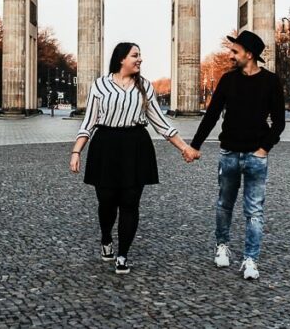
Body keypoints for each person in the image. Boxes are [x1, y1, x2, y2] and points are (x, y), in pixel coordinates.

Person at [70, 42, 199, 274]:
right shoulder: (100, 85)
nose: (140, 59)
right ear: (121, 59)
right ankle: (106, 238)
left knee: (130, 203)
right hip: (105, 145)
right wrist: (76, 151)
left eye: (140, 55)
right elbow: (88, 122)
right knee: (107, 202)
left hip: (135, 146)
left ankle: (122, 255)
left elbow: (161, 123)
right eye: (135, 55)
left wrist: (184, 148)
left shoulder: (145, 87)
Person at [189, 30, 286, 281]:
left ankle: (250, 259)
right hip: (229, 152)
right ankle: (222, 245)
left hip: (256, 156)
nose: (231, 56)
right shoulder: (227, 80)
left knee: (254, 211)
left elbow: (279, 122)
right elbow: (211, 115)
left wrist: (264, 148)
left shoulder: (271, 81)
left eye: (235, 52)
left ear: (249, 54)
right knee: (224, 205)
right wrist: (195, 145)